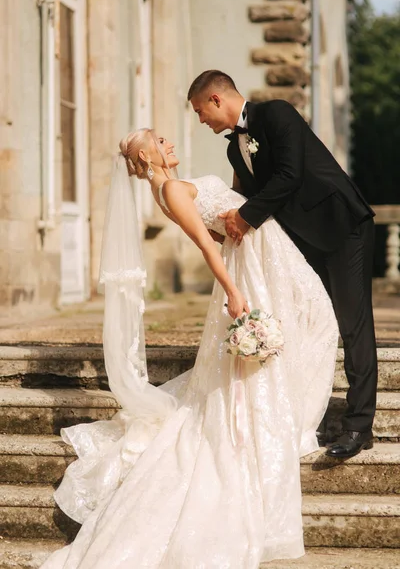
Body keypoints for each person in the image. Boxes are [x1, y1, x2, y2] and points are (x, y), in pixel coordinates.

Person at [41, 129, 338, 568]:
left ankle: (291, 408)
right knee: (317, 319)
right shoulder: (172, 190)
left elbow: (215, 234)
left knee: (315, 320)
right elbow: (204, 243)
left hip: (258, 252)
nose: (170, 141)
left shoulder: (169, 190)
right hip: (249, 267)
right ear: (146, 154)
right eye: (160, 140)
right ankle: (288, 415)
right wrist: (233, 291)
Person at [188, 70, 378, 460]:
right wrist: (222, 229)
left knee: (352, 324)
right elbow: (239, 199)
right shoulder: (231, 150)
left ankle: (359, 426)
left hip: (342, 228)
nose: (200, 120)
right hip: (300, 242)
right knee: (306, 319)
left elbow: (289, 176)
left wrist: (244, 218)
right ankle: (308, 414)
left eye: (200, 111)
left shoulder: (276, 114)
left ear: (216, 99)